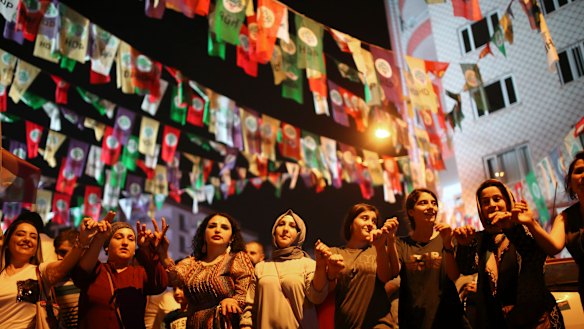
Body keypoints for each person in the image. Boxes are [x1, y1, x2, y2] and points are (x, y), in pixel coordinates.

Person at [454, 179, 565, 328]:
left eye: (497, 199)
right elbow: (467, 268)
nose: (492, 205)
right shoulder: (480, 239)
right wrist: (464, 245)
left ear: (508, 201)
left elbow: (535, 256)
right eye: (485, 202)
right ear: (481, 209)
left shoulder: (523, 230)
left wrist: (512, 227)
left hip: (535, 320)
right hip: (499, 322)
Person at [387, 188, 470, 329]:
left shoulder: (448, 238)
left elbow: (454, 275)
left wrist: (447, 244)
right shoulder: (401, 244)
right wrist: (390, 239)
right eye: (423, 203)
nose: (431, 207)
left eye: (433, 203)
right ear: (411, 212)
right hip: (414, 319)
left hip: (449, 317)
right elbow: (394, 271)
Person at [0, 211, 95, 329]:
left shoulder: (40, 272)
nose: (27, 239)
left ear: (36, 248)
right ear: (7, 242)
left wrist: (82, 240)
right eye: (20, 234)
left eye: (33, 237)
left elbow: (63, 267)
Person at [72, 214, 169, 329]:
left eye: (131, 239)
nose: (125, 242)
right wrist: (100, 238)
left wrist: (147, 249)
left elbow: (159, 285)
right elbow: (80, 274)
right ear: (106, 247)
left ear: (134, 250)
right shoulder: (96, 269)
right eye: (118, 237)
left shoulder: (139, 274)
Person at [161, 212, 255, 328]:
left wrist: (234, 301)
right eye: (212, 226)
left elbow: (248, 290)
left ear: (232, 238)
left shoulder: (237, 258)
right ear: (204, 234)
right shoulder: (191, 263)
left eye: (224, 227)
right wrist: (163, 255)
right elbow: (172, 280)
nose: (217, 230)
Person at [240, 209, 329, 328]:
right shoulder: (261, 267)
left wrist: (321, 265)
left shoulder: (308, 264)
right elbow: (250, 307)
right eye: (281, 224)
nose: (285, 229)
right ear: (274, 232)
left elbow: (317, 297)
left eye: (292, 226)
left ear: (299, 234)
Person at [320, 203, 396, 328]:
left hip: (379, 324)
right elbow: (325, 292)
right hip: (345, 324)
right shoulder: (334, 253)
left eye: (374, 221)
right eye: (364, 218)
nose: (370, 224)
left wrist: (381, 247)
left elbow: (386, 277)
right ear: (351, 224)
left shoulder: (380, 250)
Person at [537, 151, 584, 306]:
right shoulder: (565, 217)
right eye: (579, 171)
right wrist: (530, 223)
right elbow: (554, 246)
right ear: (570, 183)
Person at [53, 229, 83, 329]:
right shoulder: (54, 280)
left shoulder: (89, 276)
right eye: (57, 252)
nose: (58, 257)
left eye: (63, 252)